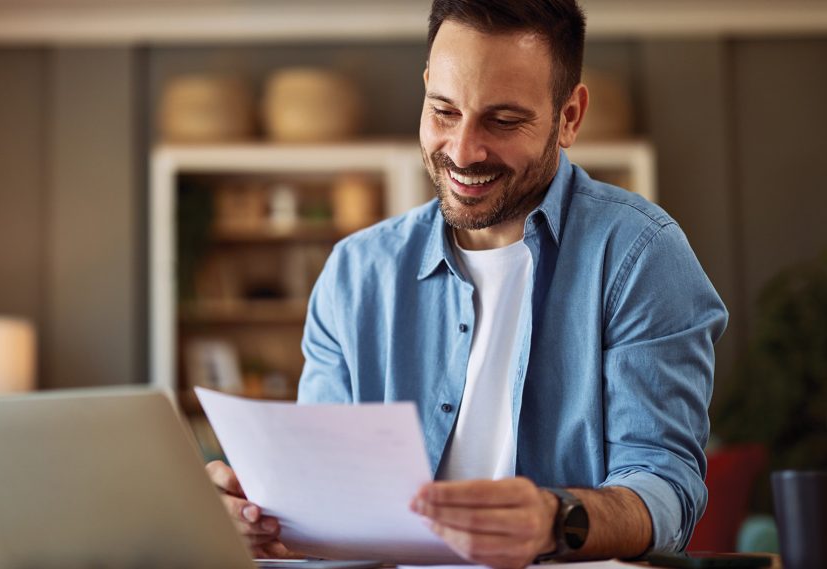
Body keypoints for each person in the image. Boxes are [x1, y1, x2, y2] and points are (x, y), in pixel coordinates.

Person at [207, 0, 728, 566]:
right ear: (426, 89)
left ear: (570, 116)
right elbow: (327, 506)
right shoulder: (354, 274)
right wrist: (261, 516)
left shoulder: (640, 256)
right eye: (444, 111)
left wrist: (559, 518)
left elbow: (666, 490)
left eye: (503, 121)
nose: (462, 150)